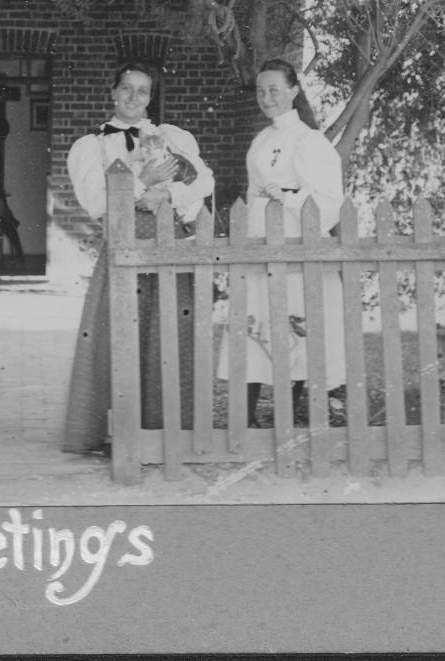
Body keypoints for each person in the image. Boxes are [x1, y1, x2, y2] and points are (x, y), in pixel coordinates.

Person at [61, 61, 214, 454]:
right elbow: (95, 202)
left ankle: (169, 431)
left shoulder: (171, 137)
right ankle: (115, 434)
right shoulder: (92, 145)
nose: (133, 97)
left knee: (168, 333)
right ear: (113, 92)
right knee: (118, 335)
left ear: (150, 98)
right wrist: (140, 182)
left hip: (168, 245)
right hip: (123, 245)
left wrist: (170, 194)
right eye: (126, 89)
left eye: (142, 91)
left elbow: (204, 180)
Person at [216, 58, 347, 427]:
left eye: (274, 89)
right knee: (255, 327)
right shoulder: (261, 141)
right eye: (260, 90)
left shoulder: (310, 142)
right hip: (261, 249)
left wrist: (288, 198)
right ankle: (244, 421)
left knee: (292, 330)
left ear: (293, 91)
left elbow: (330, 203)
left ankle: (285, 420)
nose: (267, 97)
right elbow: (251, 193)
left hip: (294, 249)